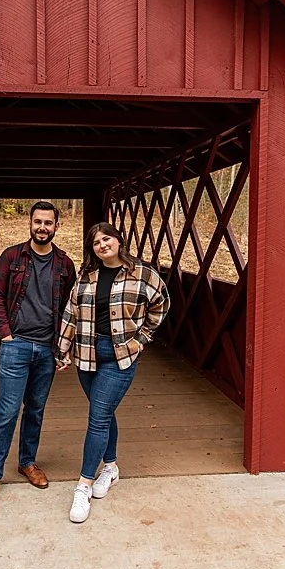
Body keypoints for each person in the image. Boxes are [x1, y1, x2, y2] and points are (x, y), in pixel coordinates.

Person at [57, 220, 169, 524]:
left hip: (121, 357)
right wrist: (63, 349)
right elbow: (71, 312)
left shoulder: (143, 274)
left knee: (98, 417)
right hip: (87, 356)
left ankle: (83, 485)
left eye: (107, 239)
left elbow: (161, 304)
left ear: (118, 240)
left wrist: (143, 338)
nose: (102, 245)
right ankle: (111, 466)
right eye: (96, 242)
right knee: (102, 413)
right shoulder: (87, 276)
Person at [0, 200, 77, 509]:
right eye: (38, 222)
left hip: (47, 349)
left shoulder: (65, 263)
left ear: (56, 226)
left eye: (49, 222)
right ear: (30, 223)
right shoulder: (11, 256)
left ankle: (27, 462)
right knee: (6, 412)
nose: (43, 227)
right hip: (16, 345)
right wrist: (6, 333)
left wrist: (65, 346)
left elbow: (70, 308)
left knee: (35, 409)